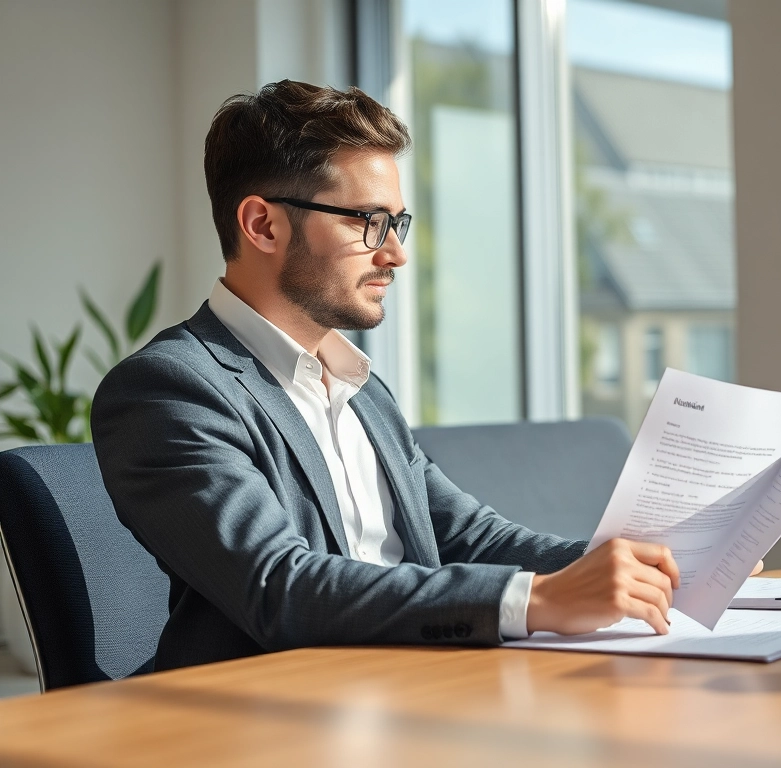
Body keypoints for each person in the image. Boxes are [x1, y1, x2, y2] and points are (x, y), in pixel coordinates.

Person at [91, 80, 718, 672]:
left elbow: (467, 535)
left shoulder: (360, 386)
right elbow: (277, 586)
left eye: (397, 222)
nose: (395, 252)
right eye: (368, 221)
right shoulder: (169, 390)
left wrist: (639, 567)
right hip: (269, 720)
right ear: (263, 225)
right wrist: (533, 601)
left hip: (412, 688)